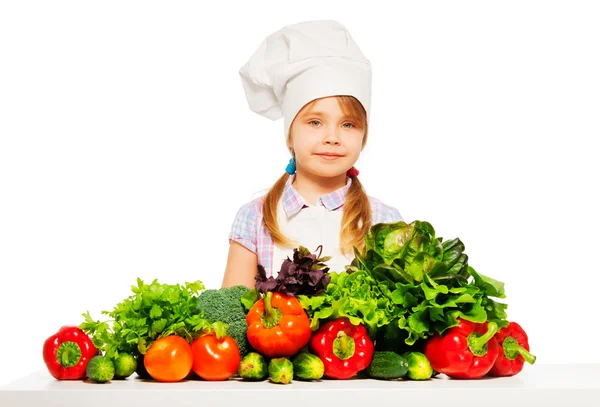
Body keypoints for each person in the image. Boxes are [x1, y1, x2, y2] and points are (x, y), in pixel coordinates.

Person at [222, 20, 403, 289]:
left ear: (364, 135)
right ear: (290, 134)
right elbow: (231, 313)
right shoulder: (255, 217)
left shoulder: (384, 220)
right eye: (315, 122)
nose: (332, 137)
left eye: (348, 124)